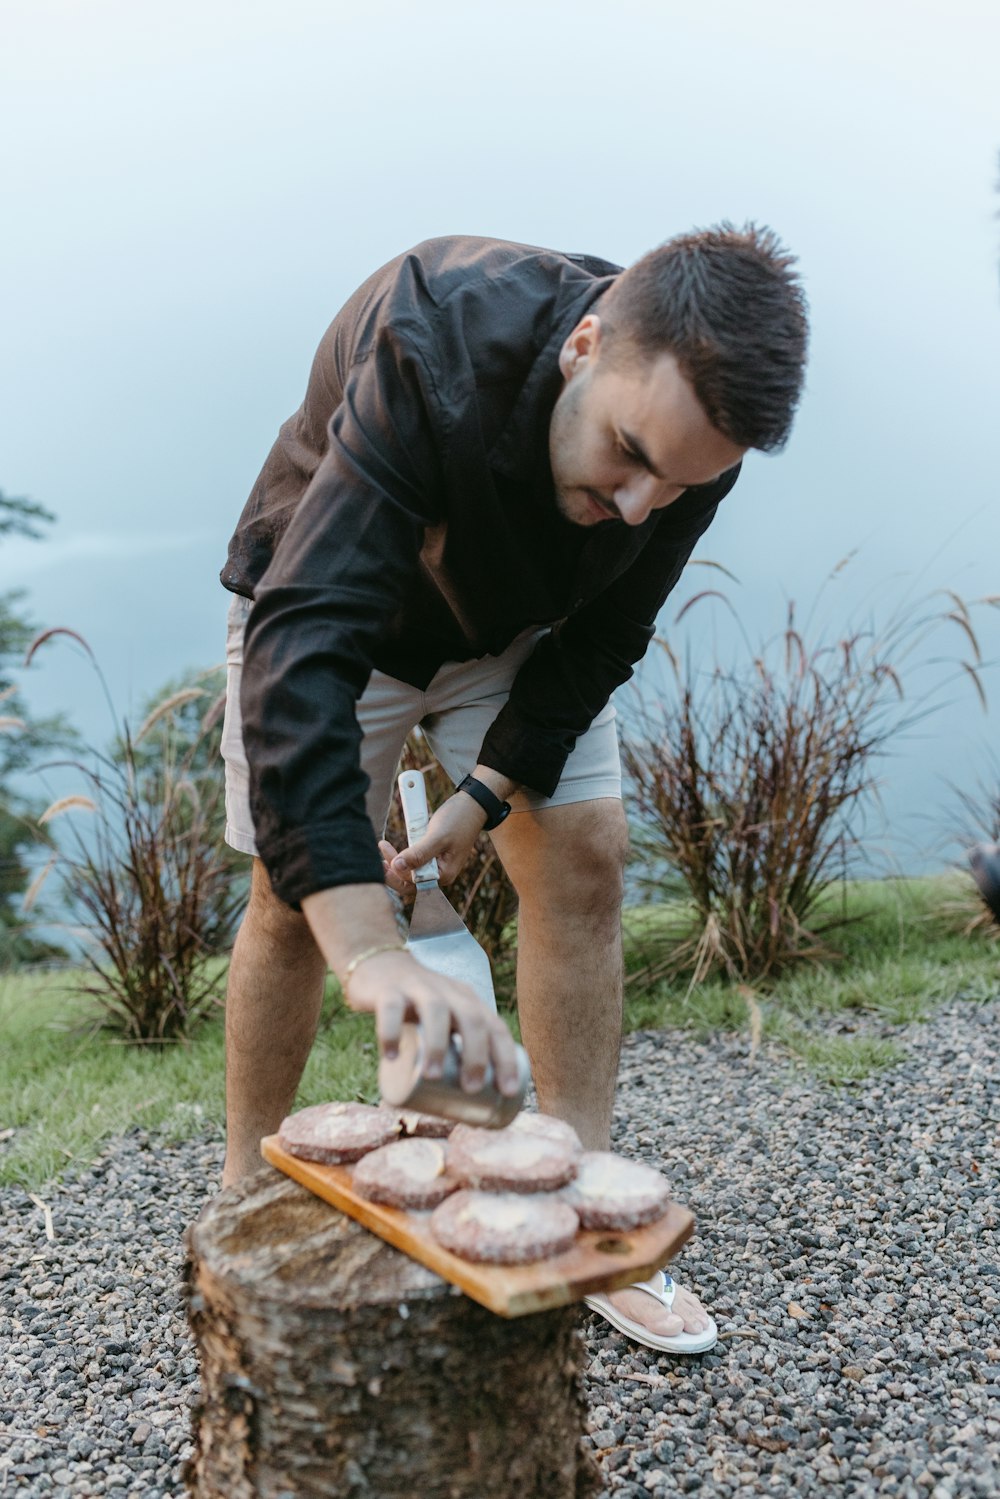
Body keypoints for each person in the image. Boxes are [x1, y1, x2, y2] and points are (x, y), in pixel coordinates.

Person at [218, 229, 809, 1352]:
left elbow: (606, 636)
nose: (640, 505)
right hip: (343, 606)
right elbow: (306, 645)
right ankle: (247, 1188)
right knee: (291, 901)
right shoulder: (428, 332)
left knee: (582, 854)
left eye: (679, 484)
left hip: (514, 629)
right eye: (626, 454)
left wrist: (485, 791)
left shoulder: (683, 448)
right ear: (582, 347)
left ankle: (568, 1193)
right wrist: (375, 950)